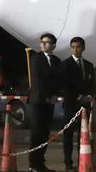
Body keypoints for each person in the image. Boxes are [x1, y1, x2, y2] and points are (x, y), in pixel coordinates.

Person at [28, 33, 63, 172]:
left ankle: (41, 163)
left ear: (53, 45)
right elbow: (38, 80)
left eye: (47, 42)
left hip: (50, 102)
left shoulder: (56, 61)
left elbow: (58, 80)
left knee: (45, 133)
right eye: (42, 42)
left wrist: (56, 95)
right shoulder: (36, 58)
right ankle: (33, 164)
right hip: (38, 101)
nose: (43, 44)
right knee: (36, 133)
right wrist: (49, 96)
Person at [62, 37, 95, 171]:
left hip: (85, 106)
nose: (75, 49)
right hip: (71, 105)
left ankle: (82, 159)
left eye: (78, 47)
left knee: (83, 135)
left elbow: (93, 84)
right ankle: (68, 162)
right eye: (73, 47)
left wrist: (90, 96)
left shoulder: (88, 65)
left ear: (83, 48)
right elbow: (64, 86)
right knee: (68, 135)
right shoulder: (66, 65)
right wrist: (78, 97)